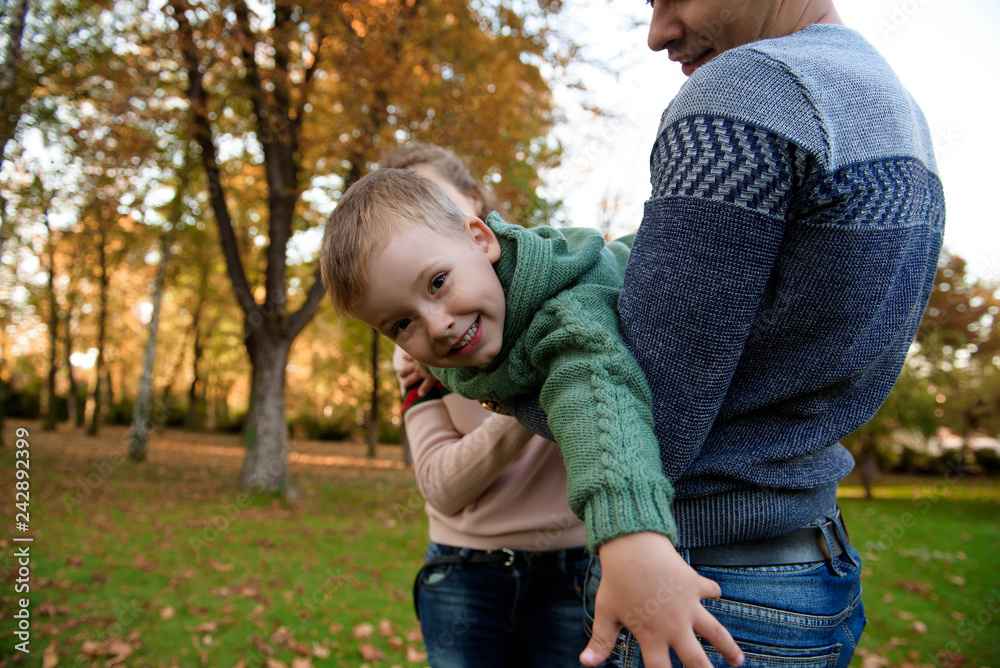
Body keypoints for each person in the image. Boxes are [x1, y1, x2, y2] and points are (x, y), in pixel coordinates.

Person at [574, 1, 945, 667]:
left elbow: (648, 408)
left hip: (702, 586)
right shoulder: (896, 108)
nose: (658, 33)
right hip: (813, 570)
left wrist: (484, 366)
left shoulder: (745, 90)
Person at [318, 167, 743, 667]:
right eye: (402, 324)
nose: (436, 327)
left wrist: (632, 538)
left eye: (437, 282)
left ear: (480, 235)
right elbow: (437, 479)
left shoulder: (559, 312)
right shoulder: (442, 346)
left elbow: (594, 391)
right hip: (464, 568)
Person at [380, 143, 595, 668]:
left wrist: (521, 374)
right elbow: (439, 486)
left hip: (576, 571)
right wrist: (529, 390)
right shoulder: (422, 346)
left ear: (475, 205)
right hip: (462, 574)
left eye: (429, 200)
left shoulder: (568, 291)